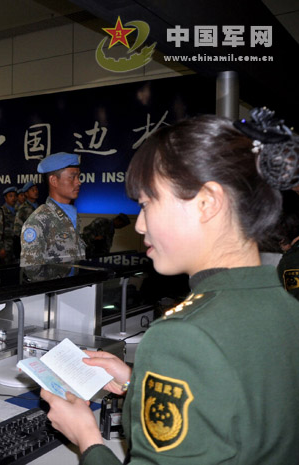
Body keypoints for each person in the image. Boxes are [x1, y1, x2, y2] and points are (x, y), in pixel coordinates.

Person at [40, 113, 299, 464]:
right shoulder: (286, 305)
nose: (141, 225)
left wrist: (86, 438)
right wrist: (139, 381)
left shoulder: (184, 338)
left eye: (147, 204)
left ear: (207, 202)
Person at [20, 153, 86, 266]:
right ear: (54, 181)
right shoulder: (38, 221)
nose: (78, 182)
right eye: (72, 177)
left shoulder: (71, 215)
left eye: (78, 177)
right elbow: (32, 271)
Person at [0, 186, 18, 264]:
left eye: (15, 196)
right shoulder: (0, 211)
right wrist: (0, 248)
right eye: (10, 196)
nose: (13, 198)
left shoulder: (18, 211)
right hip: (5, 247)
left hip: (15, 246)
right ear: (5, 198)